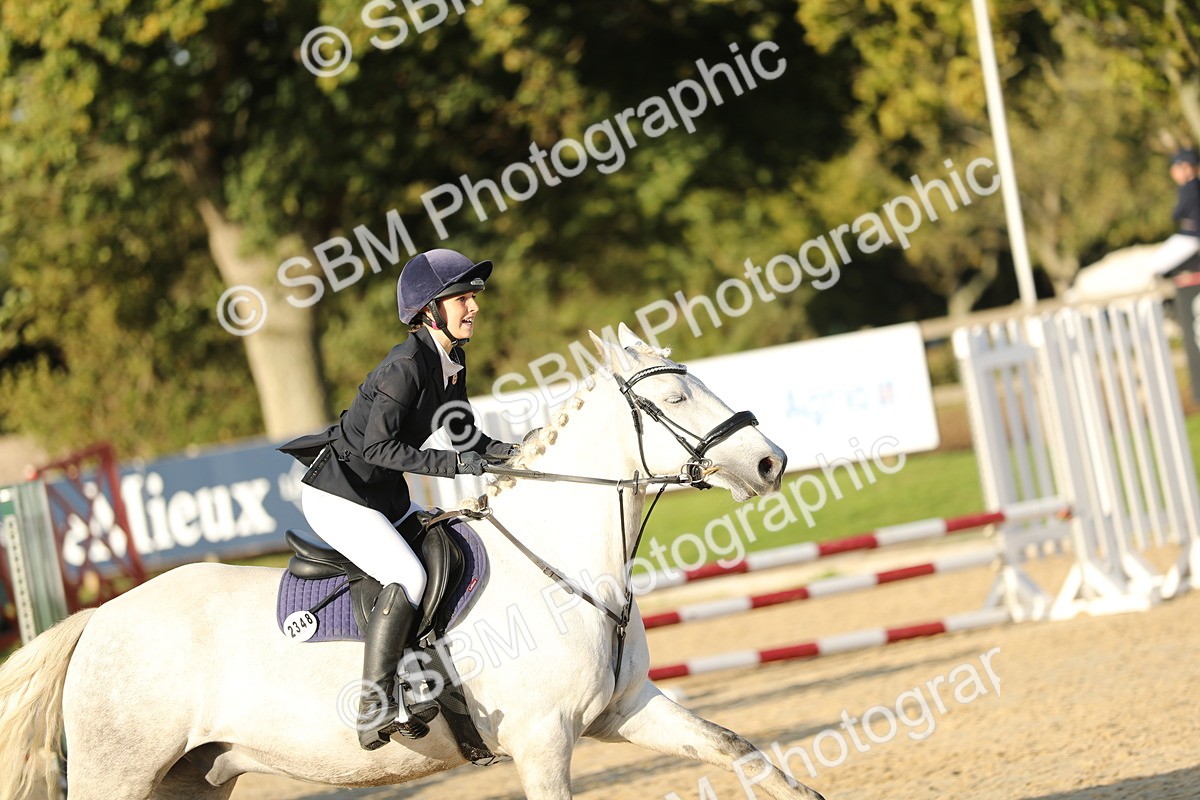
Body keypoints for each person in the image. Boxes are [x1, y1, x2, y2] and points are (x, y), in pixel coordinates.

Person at [279, 248, 519, 750]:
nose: (474, 307)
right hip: (339, 495)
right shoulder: (405, 365)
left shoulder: (451, 360)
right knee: (407, 575)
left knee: (443, 544)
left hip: (383, 498)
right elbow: (377, 447)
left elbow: (464, 435)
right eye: (461, 299)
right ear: (430, 309)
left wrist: (520, 451)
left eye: (473, 297)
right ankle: (374, 703)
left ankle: (421, 673)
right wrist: (454, 466)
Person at [1144, 147, 1200, 277]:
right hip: (1191, 235)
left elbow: (1177, 214)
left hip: (1192, 237)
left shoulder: (1190, 189)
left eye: (1176, 168)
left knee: (1154, 267)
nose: (1173, 173)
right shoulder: (1192, 187)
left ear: (1187, 168)